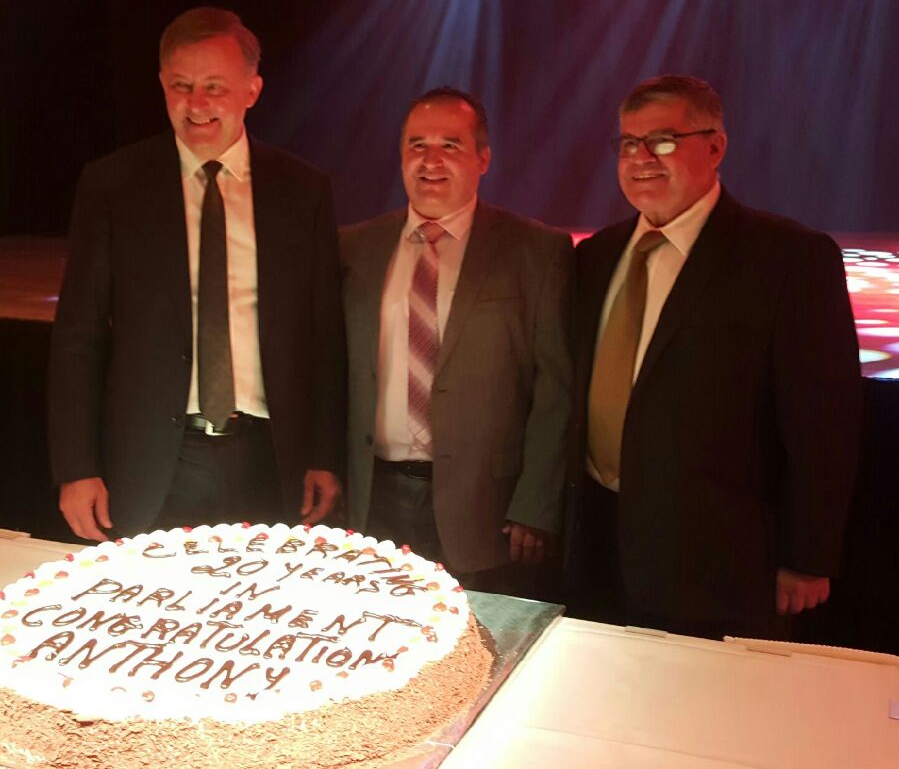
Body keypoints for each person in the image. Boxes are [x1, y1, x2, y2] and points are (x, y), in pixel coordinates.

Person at [568, 75, 861, 640]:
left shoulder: (788, 259)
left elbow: (824, 423)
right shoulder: (597, 256)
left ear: (716, 147)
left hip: (717, 566)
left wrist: (808, 555)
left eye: (664, 140)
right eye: (629, 143)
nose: (642, 158)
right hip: (599, 552)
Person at [49, 7, 345, 542]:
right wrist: (77, 466)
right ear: (162, 84)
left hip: (271, 460)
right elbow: (78, 337)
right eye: (181, 86)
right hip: (151, 464)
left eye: (215, 87)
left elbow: (325, 336)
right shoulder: (113, 186)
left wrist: (325, 455)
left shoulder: (303, 191)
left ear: (252, 90)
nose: (197, 104)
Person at [340, 87, 573, 591]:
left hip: (485, 509)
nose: (431, 161)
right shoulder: (353, 248)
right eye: (417, 145)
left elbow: (556, 391)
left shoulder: (537, 252)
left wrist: (536, 504)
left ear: (483, 158)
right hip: (371, 501)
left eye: (450, 145)